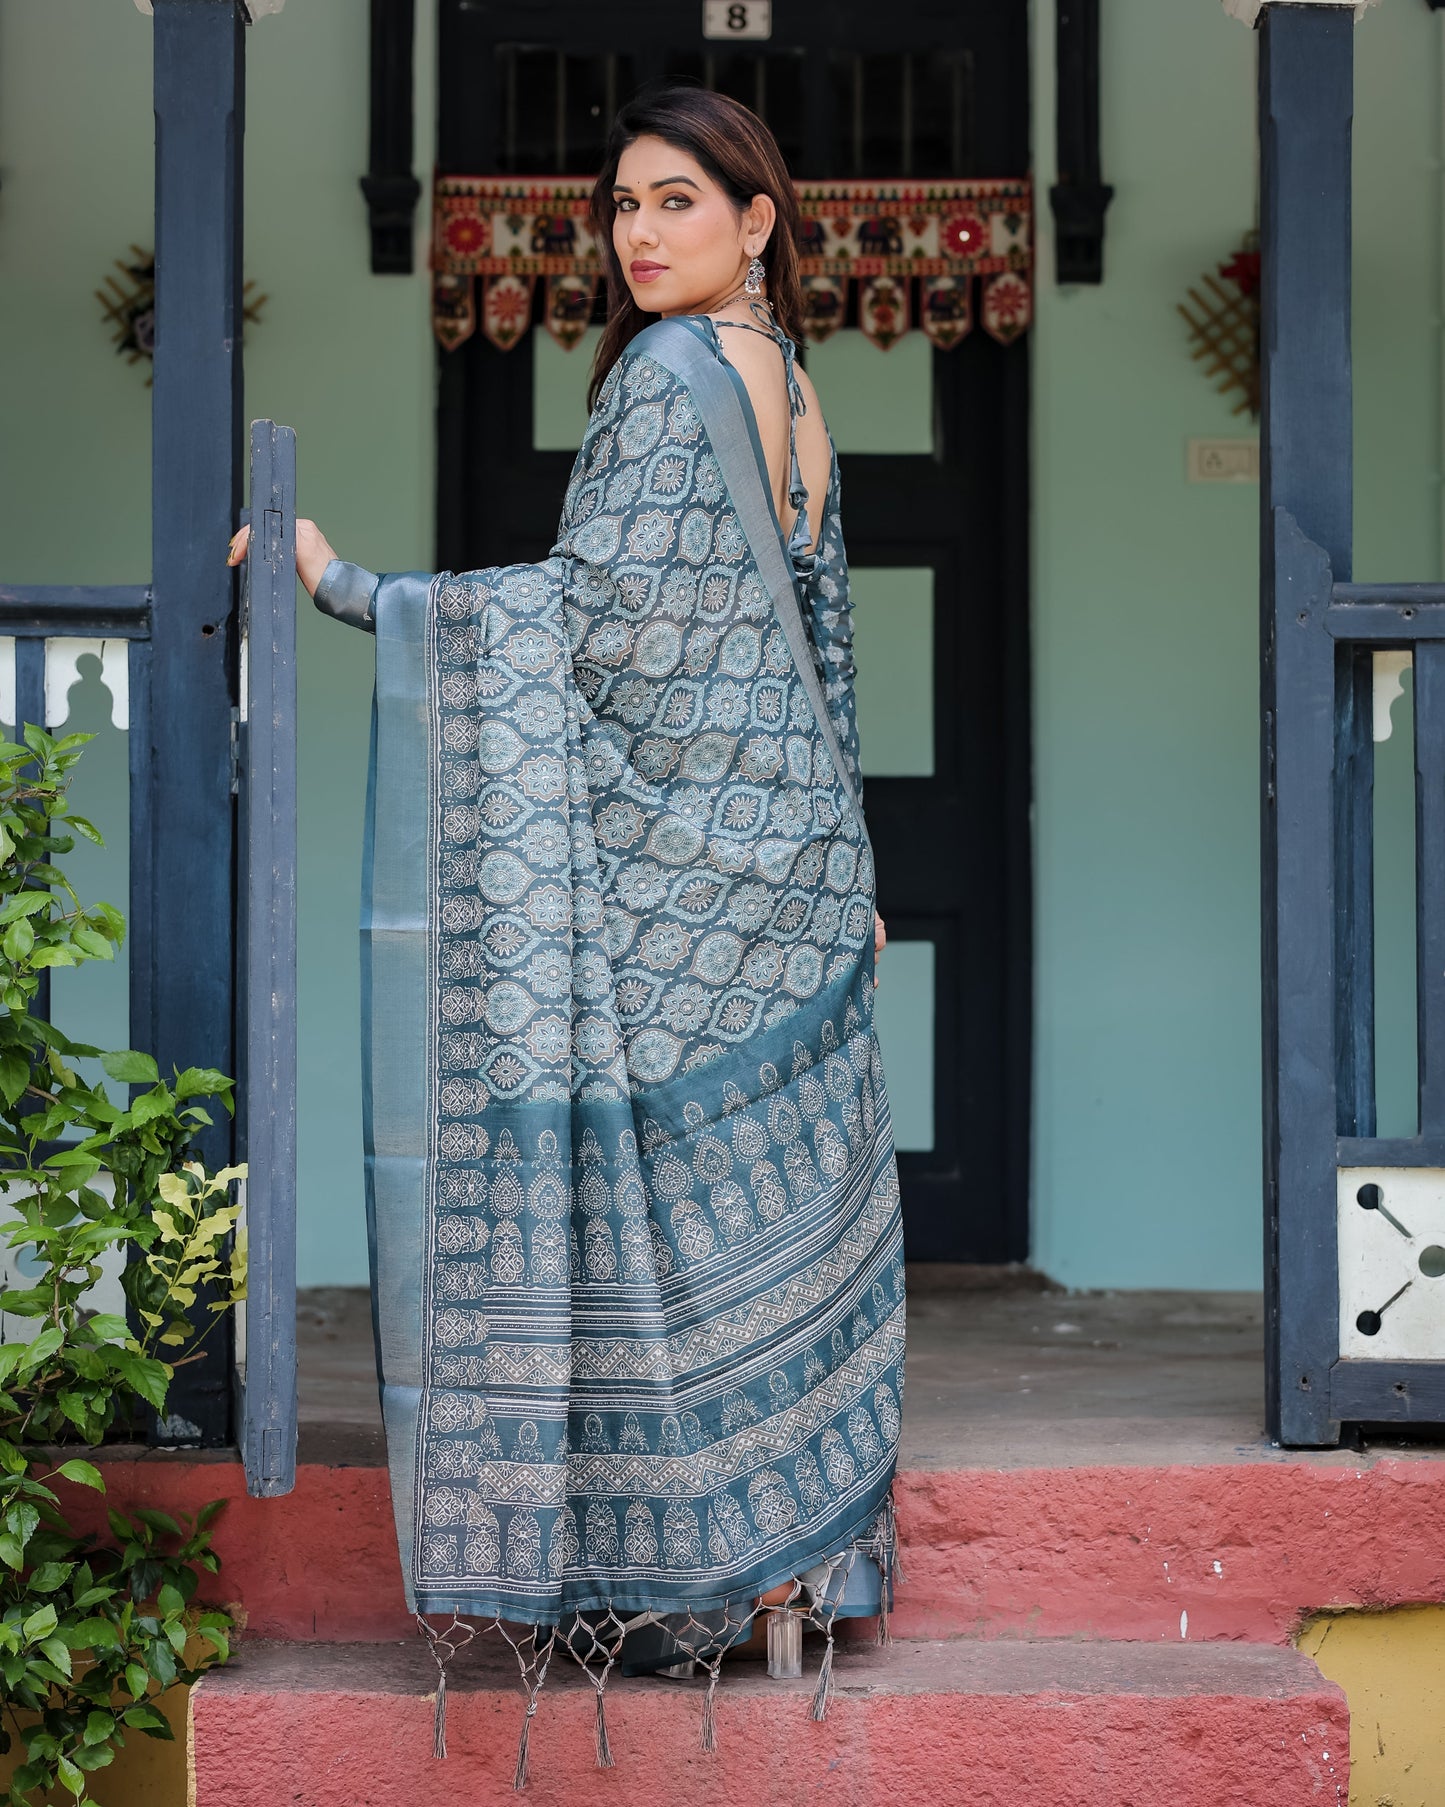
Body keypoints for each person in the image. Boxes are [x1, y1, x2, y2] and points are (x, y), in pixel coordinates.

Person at [229, 83, 904, 1775]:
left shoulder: (668, 380)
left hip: (693, 887)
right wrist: (854, 860)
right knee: (776, 1235)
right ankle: (784, 1584)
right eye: (620, 206)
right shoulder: (797, 392)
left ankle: (710, 1578)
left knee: (682, 1227)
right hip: (796, 870)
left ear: (759, 219)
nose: (639, 233)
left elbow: (588, 622)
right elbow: (826, 656)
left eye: (679, 201)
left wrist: (349, 589)